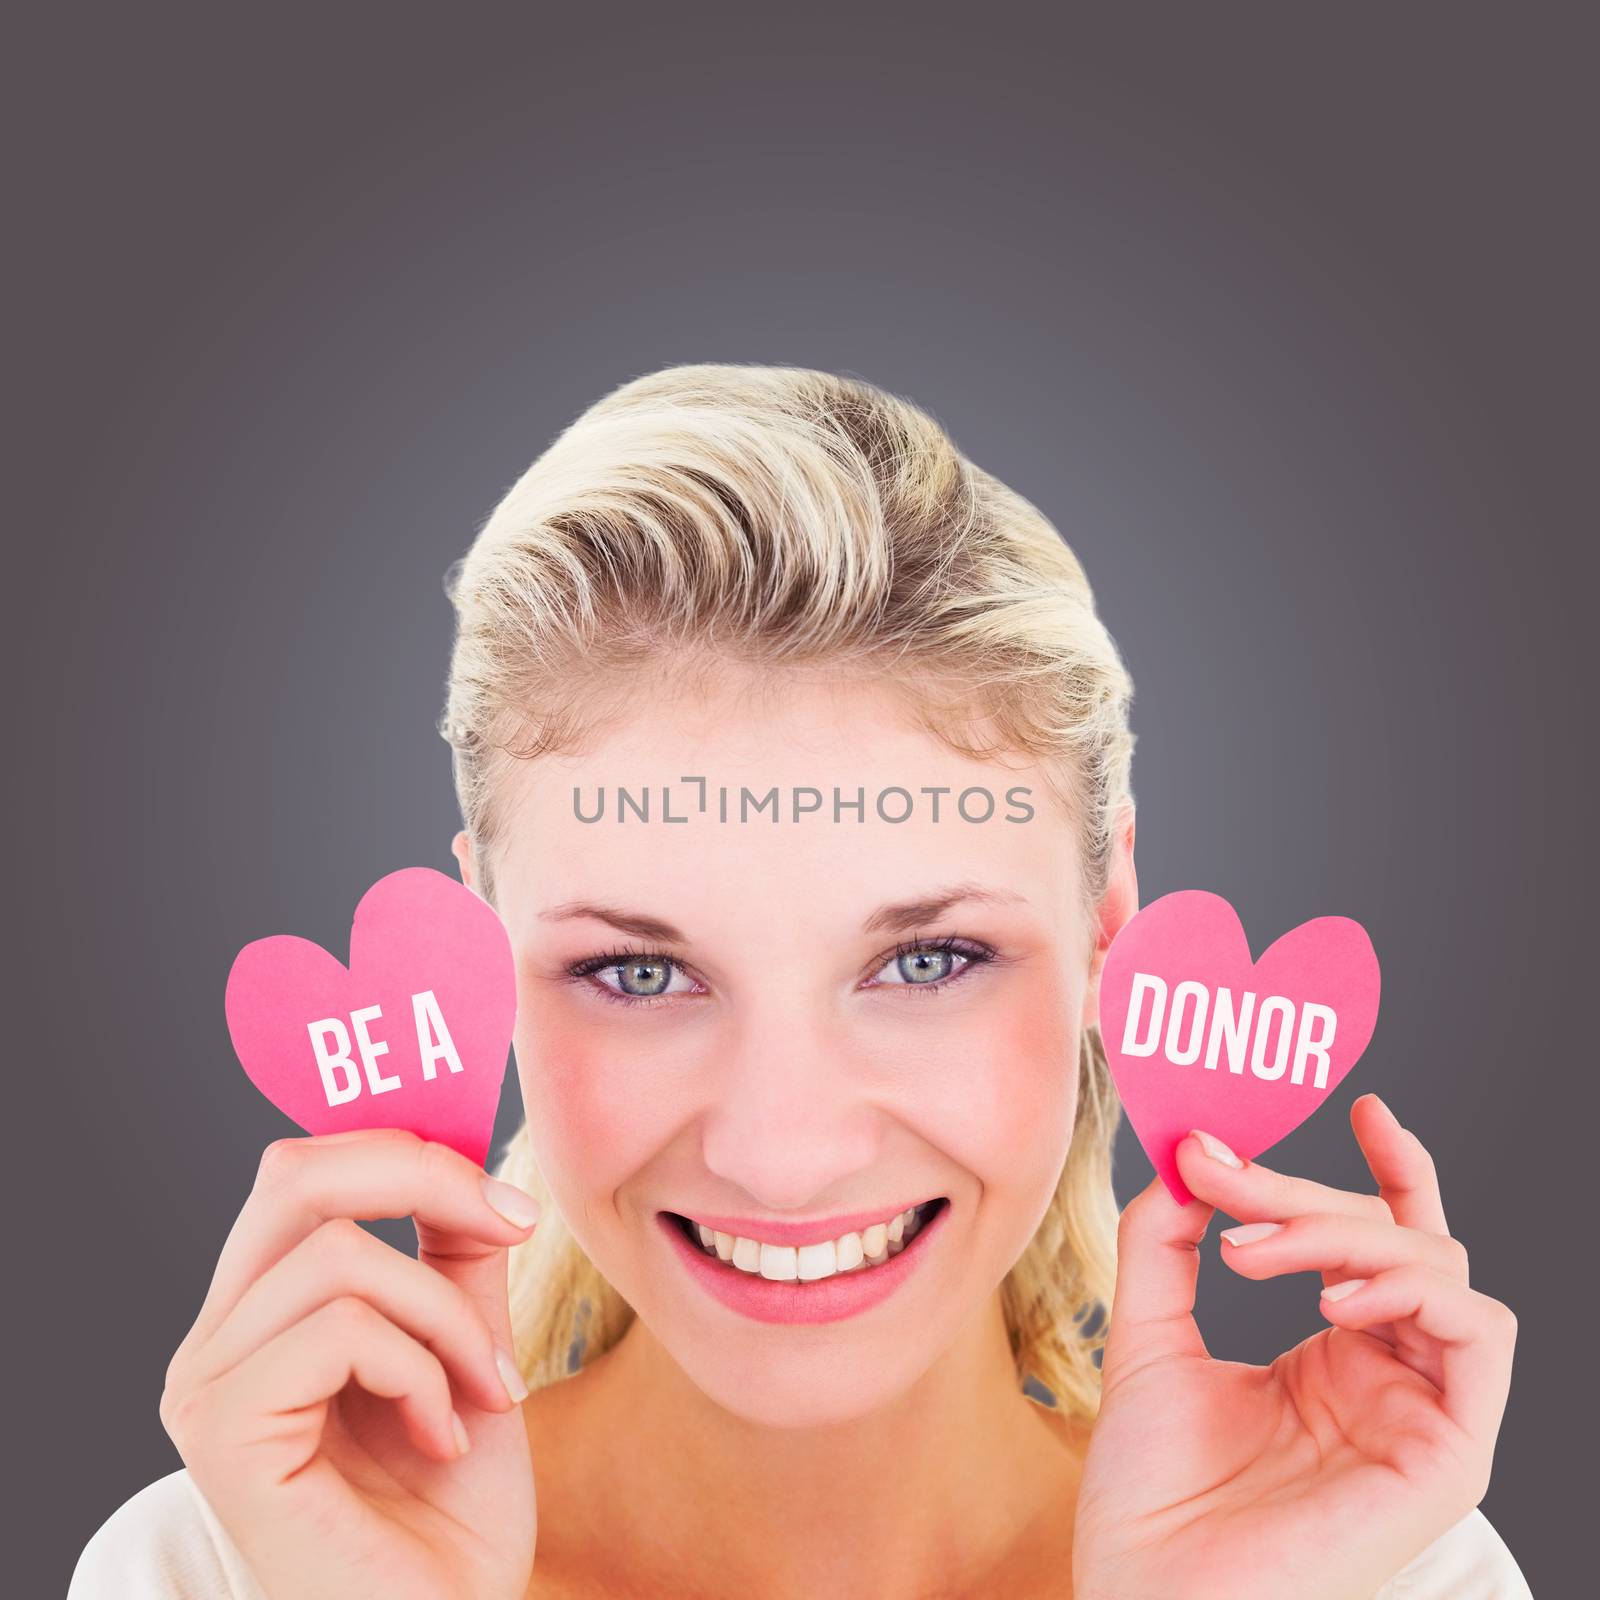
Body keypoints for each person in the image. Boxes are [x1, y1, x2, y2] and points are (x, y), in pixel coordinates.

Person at [71, 364, 1532, 1598]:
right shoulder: (230, 1566)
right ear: (478, 958)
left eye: (928, 960)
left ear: (1109, 925)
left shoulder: (1375, 1564)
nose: (783, 1152)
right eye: (638, 971)